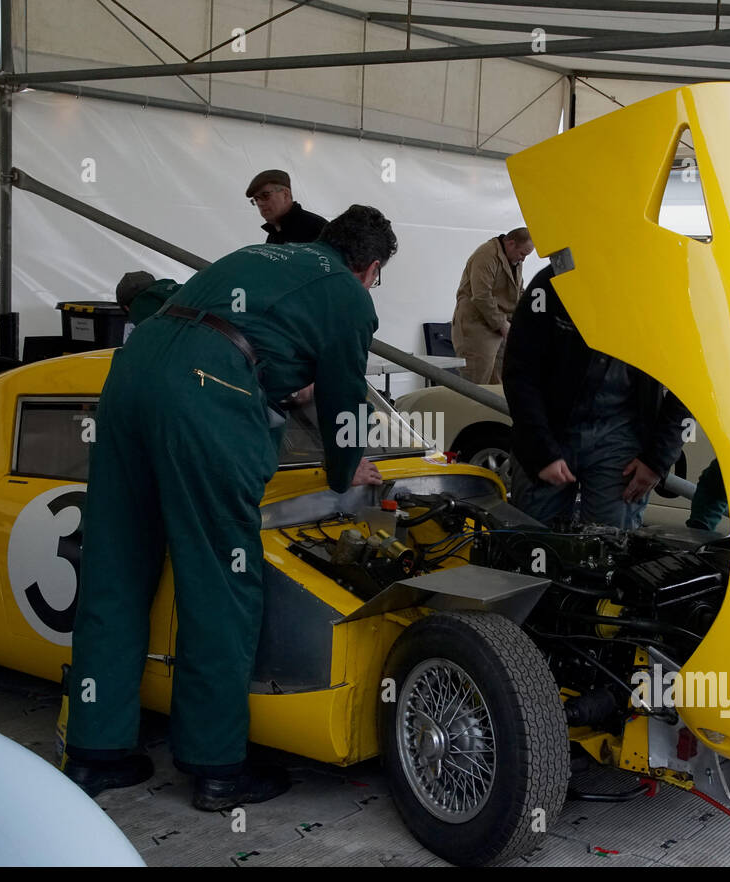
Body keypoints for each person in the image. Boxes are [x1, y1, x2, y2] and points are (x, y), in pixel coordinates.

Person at [63, 205, 396, 809]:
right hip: (204, 394)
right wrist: (347, 472)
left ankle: (96, 753)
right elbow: (346, 393)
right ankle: (217, 769)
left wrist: (273, 373)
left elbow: (154, 297)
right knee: (220, 578)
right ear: (370, 267)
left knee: (114, 568)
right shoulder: (348, 294)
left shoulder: (253, 258)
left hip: (130, 381)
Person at [504, 264, 689, 529]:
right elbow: (519, 371)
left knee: (608, 548)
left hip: (621, 438)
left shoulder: (667, 296)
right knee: (535, 539)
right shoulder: (554, 282)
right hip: (551, 428)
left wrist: (657, 460)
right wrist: (538, 449)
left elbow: (688, 388)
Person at [451, 227, 534, 384]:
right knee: (477, 385)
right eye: (523, 254)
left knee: (499, 385)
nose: (523, 259)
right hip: (476, 327)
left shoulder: (514, 259)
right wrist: (502, 324)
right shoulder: (485, 256)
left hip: (500, 328)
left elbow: (518, 290)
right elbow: (482, 296)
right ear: (510, 244)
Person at [246, 169, 328, 244]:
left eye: (265, 195)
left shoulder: (317, 228)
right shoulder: (274, 233)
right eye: (256, 199)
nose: (260, 203)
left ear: (285, 194)